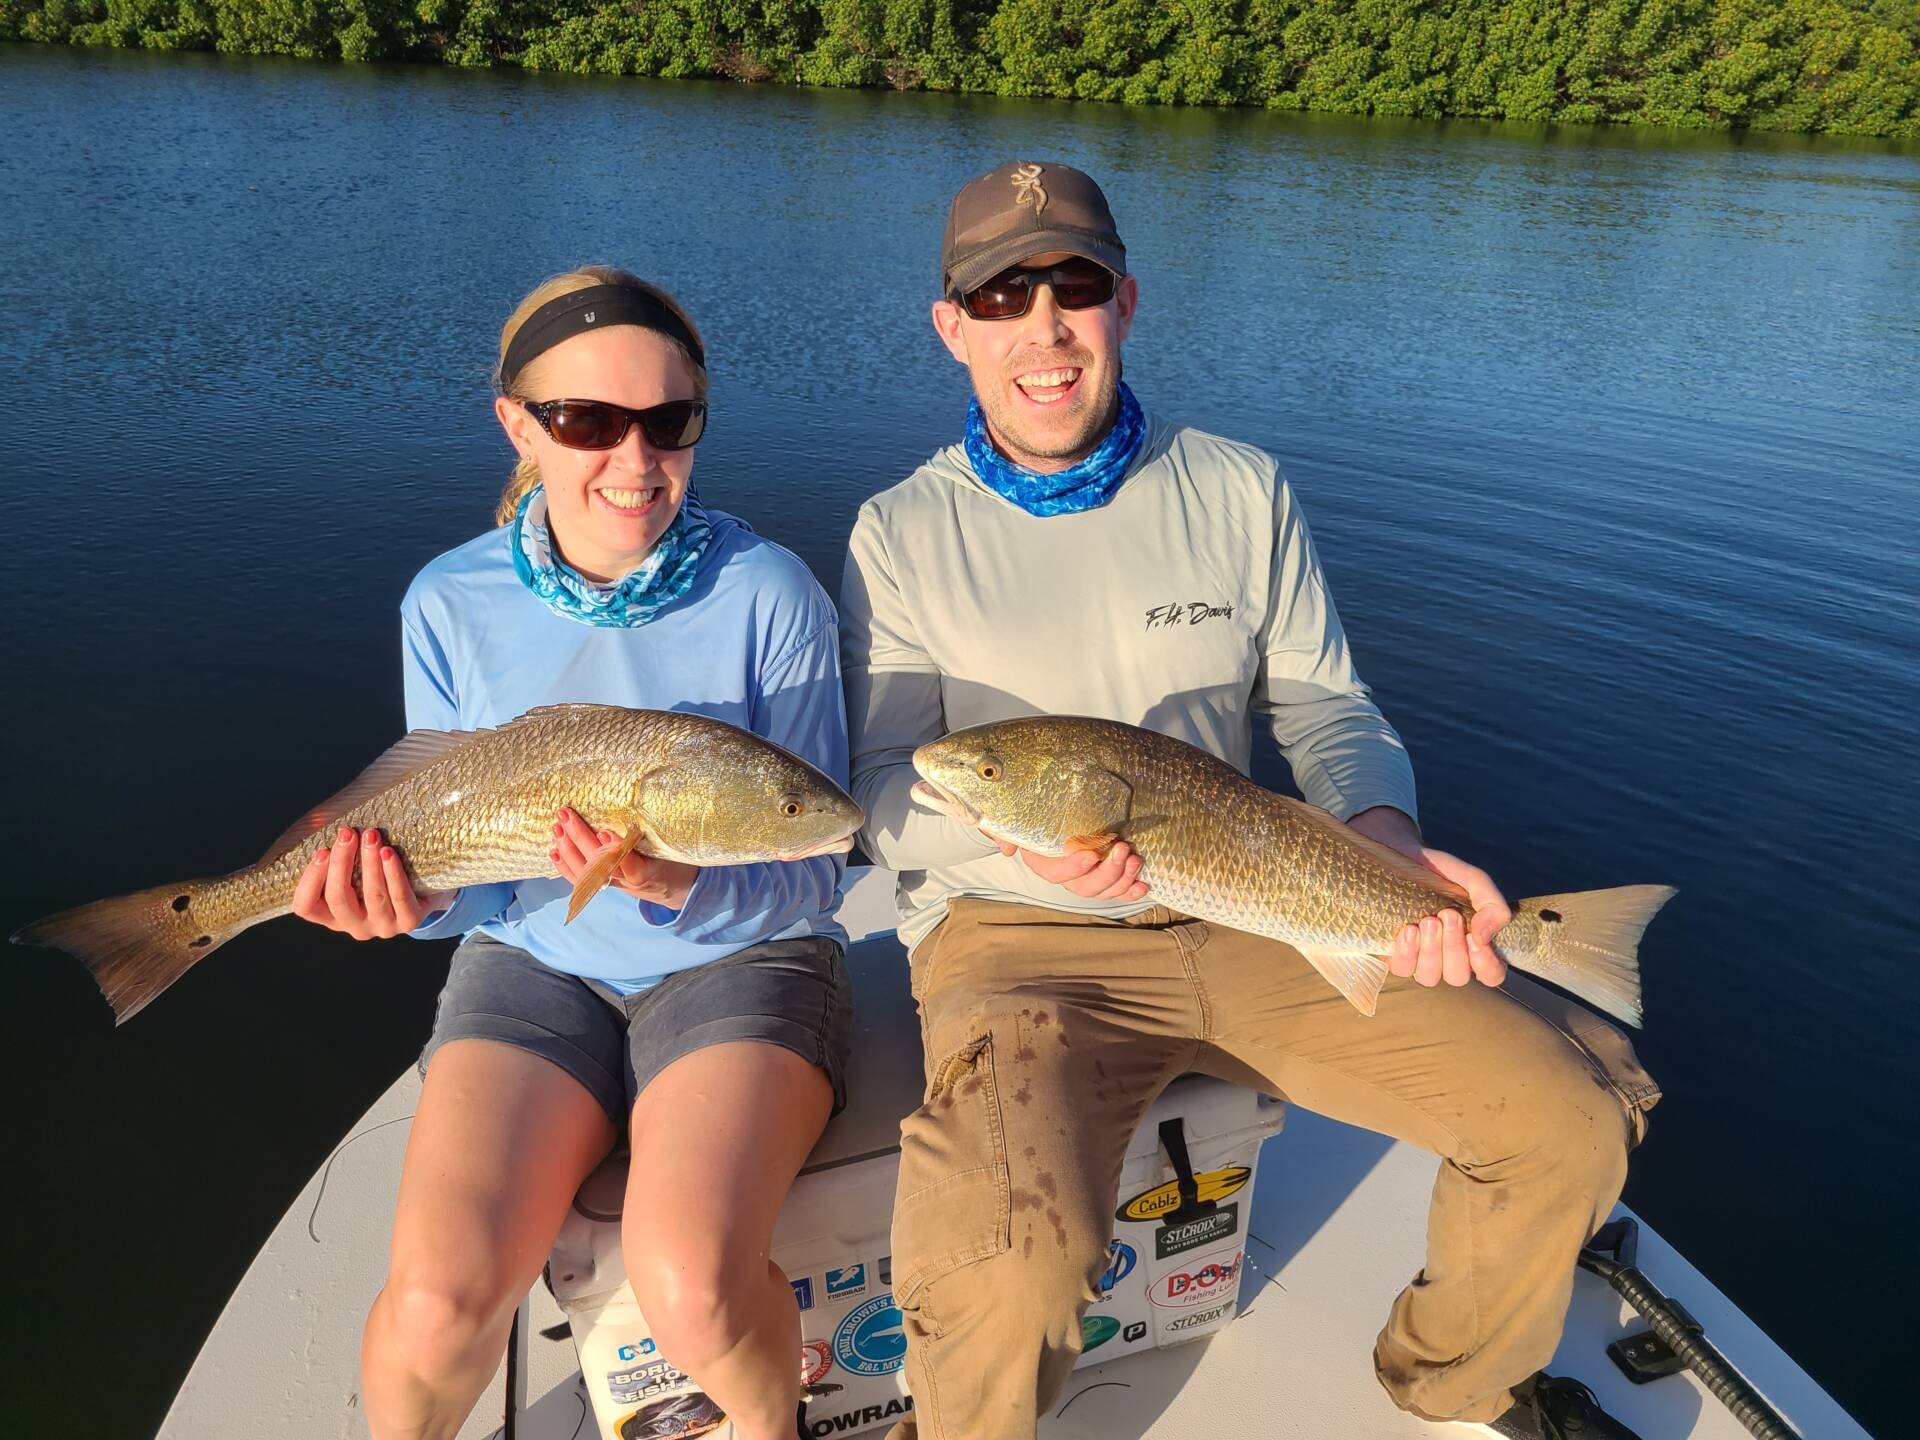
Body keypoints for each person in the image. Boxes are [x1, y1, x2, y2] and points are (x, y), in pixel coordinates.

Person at [839, 163, 1660, 1440]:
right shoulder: (899, 530)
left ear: (1126, 301)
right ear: (954, 326)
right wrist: (1031, 859)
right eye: (1003, 293)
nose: (1044, 327)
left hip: (1251, 893)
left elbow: (1326, 708)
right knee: (1009, 1255)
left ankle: (1453, 1378)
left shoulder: (1238, 487)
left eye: (1077, 285)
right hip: (1019, 941)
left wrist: (1386, 839)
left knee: (1567, 1116)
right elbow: (888, 788)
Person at [293, 267, 850, 1440]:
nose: (635, 462)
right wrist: (402, 908)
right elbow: (458, 859)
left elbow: (819, 856)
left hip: (744, 959)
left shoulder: (771, 593)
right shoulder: (448, 600)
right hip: (533, 959)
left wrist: (676, 881)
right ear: (518, 424)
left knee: (688, 1280)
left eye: (671, 422)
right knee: (438, 1302)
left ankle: (770, 1432)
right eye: (587, 422)